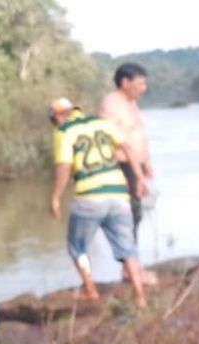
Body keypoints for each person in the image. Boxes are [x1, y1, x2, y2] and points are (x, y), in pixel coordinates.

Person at [47, 97, 147, 307]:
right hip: (119, 194)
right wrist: (139, 177)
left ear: (57, 117)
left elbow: (64, 166)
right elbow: (127, 148)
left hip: (89, 197)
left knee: (77, 247)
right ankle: (139, 295)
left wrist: (55, 198)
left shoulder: (63, 132)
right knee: (127, 247)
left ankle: (90, 290)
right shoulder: (101, 123)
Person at [99, 62, 152, 239]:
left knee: (135, 215)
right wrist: (138, 176)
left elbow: (138, 135)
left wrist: (146, 164)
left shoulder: (131, 102)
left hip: (135, 166)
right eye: (140, 84)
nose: (144, 89)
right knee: (126, 216)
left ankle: (131, 264)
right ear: (125, 82)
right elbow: (122, 143)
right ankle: (129, 265)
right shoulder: (112, 104)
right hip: (121, 167)